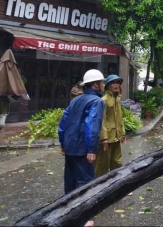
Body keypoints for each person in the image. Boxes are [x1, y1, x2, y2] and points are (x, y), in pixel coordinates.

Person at [58, 69, 105, 227]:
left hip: (70, 147)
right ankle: (83, 219)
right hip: (83, 149)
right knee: (85, 183)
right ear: (95, 85)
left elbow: (63, 123)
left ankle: (68, 215)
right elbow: (92, 126)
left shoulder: (75, 100)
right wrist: (92, 149)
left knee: (70, 182)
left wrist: (63, 143)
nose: (104, 85)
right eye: (102, 82)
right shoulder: (96, 101)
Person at [95, 75, 126, 178]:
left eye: (118, 83)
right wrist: (104, 137)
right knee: (103, 165)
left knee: (117, 162)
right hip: (107, 138)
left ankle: (116, 183)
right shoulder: (104, 100)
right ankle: (99, 186)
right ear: (108, 86)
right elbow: (101, 120)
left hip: (116, 136)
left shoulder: (117, 99)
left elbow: (120, 117)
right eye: (113, 83)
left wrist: (123, 133)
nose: (116, 85)